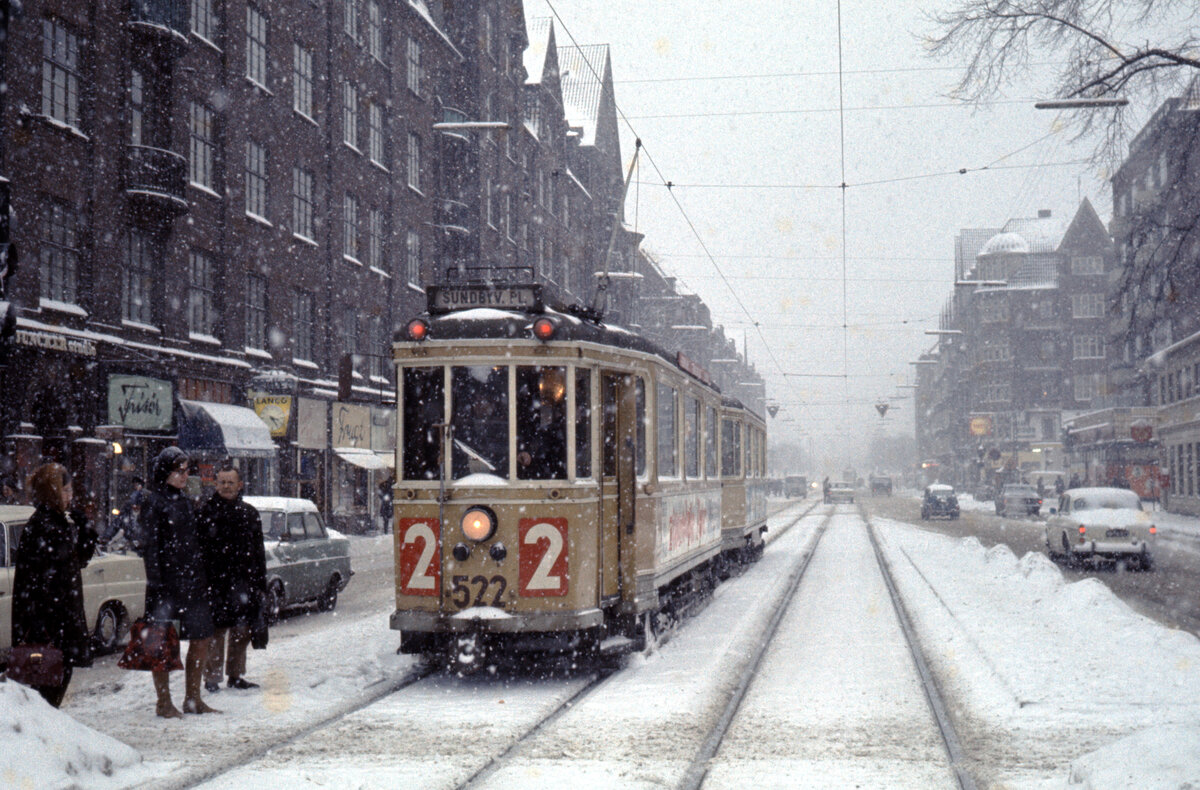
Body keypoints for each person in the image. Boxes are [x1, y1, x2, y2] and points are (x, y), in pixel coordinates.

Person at [141, 447, 219, 717]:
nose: (185, 475)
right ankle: (164, 703)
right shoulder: (155, 503)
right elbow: (150, 548)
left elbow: (192, 542)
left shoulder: (185, 501)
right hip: (166, 586)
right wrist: (159, 582)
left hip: (192, 583)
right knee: (161, 644)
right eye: (179, 470)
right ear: (165, 473)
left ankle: (193, 699)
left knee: (202, 637)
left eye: (187, 470)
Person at [10, 463, 97, 707]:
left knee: (56, 682)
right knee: (47, 690)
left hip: (59, 620)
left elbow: (75, 561)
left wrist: (86, 530)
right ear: (52, 492)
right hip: (50, 624)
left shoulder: (57, 523)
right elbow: (39, 580)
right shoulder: (43, 525)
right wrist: (40, 625)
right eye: (66, 490)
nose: (70, 496)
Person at [198, 462, 267, 694]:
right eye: (222, 482)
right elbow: (199, 552)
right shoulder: (206, 513)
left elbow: (258, 552)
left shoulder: (249, 513)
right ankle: (211, 678)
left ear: (240, 485)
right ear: (215, 484)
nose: (227, 486)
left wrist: (259, 584)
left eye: (231, 482)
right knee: (216, 632)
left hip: (242, 583)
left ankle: (236, 675)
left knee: (241, 630)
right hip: (215, 584)